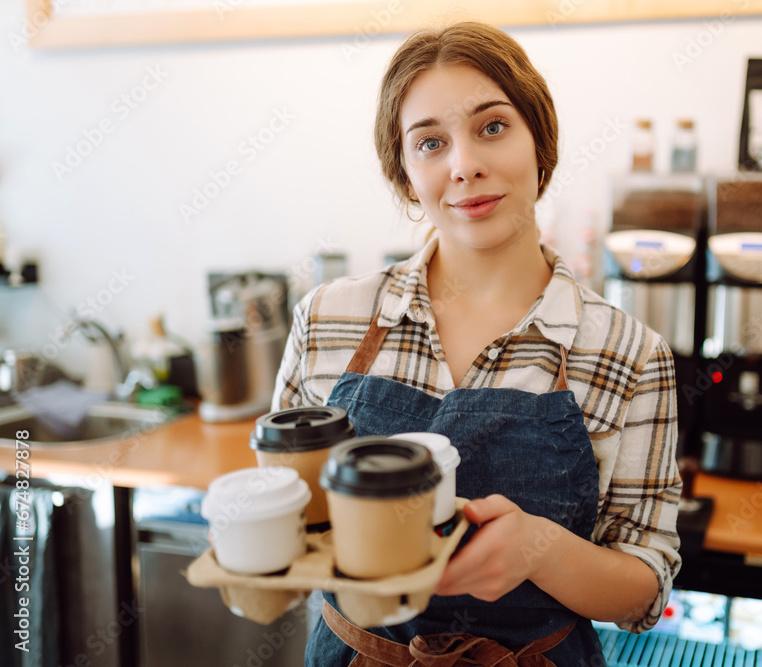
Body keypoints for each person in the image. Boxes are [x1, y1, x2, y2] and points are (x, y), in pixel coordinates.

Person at [272, 21, 682, 666]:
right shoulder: (328, 318)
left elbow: (644, 593)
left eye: (493, 127)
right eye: (430, 142)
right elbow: (289, 509)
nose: (465, 165)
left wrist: (537, 550)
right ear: (405, 174)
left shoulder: (629, 352)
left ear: (540, 144)